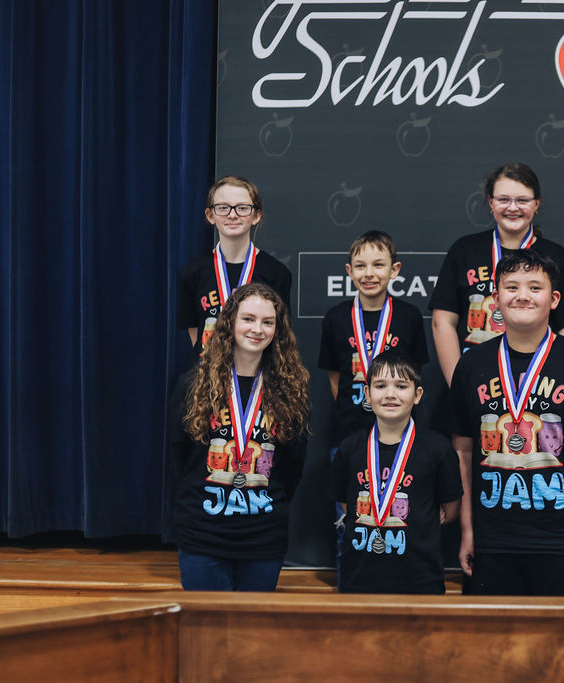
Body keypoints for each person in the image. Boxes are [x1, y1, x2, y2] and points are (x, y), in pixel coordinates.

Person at [450, 249, 564, 596]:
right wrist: (468, 531)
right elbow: (463, 454)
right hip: (494, 542)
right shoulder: (472, 365)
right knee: (492, 649)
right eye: (511, 287)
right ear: (496, 298)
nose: (523, 295)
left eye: (535, 287)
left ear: (554, 298)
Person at [168, 282, 310, 591]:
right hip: (203, 535)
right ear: (230, 322)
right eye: (248, 319)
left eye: (267, 322)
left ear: (278, 330)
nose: (257, 329)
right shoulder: (192, 385)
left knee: (252, 637)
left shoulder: (290, 391)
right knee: (205, 635)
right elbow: (180, 460)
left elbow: (292, 467)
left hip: (262, 539)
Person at [430, 162, 564, 389]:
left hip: (538, 381)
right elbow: (442, 321)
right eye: (504, 199)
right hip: (474, 376)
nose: (513, 208)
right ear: (491, 202)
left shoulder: (555, 256)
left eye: (522, 200)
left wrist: (549, 378)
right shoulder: (465, 250)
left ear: (537, 204)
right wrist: (458, 383)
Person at [332, 349, 462, 594]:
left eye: (401, 386)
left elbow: (450, 509)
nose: (390, 394)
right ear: (367, 394)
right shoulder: (349, 448)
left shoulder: (438, 449)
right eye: (380, 386)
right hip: (360, 580)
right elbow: (346, 504)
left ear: (417, 395)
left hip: (419, 581)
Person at [318, 231, 429, 451]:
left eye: (378, 265)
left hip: (399, 428)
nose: (369, 274)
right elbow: (335, 377)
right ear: (350, 271)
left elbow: (415, 371)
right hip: (348, 430)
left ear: (394, 270)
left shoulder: (409, 316)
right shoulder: (336, 317)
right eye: (360, 266)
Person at [177, 175, 292, 359]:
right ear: (210, 215)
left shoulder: (277, 273)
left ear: (256, 216)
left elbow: (280, 332)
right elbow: (195, 334)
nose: (232, 214)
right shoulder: (191, 273)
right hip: (208, 378)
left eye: (242, 208)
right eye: (223, 208)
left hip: (258, 379)